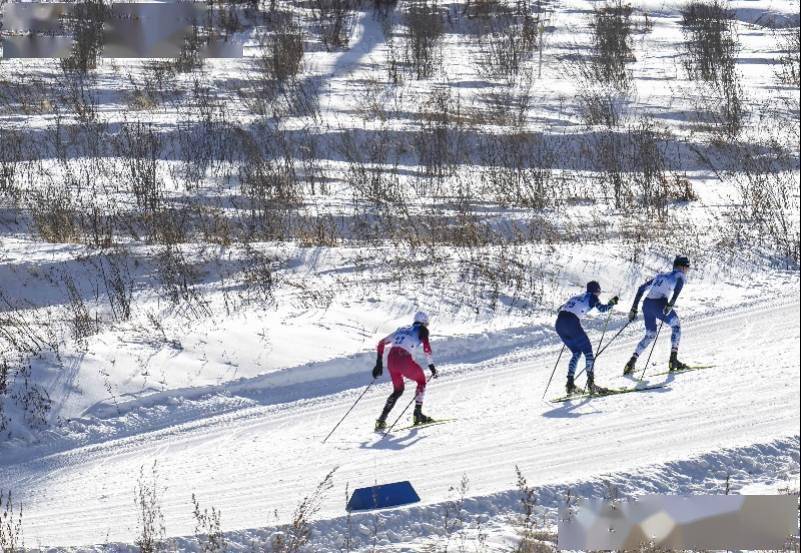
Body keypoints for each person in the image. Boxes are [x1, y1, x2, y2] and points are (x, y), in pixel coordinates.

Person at [624, 256, 691, 375]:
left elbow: (640, 289)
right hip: (659, 304)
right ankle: (673, 360)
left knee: (650, 334)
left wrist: (634, 308)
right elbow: (679, 285)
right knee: (676, 326)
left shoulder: (661, 276)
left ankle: (631, 362)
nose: (687, 270)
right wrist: (671, 303)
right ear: (681, 267)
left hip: (647, 304)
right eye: (687, 267)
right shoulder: (679, 275)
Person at [372, 311, 438, 430]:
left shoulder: (401, 329)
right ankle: (417, 414)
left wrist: (379, 363)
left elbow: (381, 343)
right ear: (424, 323)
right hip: (404, 359)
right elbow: (427, 349)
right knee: (421, 380)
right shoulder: (422, 330)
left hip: (391, 360)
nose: (426, 327)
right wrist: (431, 366)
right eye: (426, 324)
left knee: (398, 390)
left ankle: (381, 420)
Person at [555, 281, 619, 395]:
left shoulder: (577, 296)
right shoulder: (592, 297)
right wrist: (611, 303)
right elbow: (602, 309)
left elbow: (560, 309)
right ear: (596, 290)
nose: (599, 294)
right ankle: (591, 385)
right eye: (599, 291)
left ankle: (570, 384)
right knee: (588, 353)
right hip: (571, 322)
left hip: (560, 323)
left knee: (576, 352)